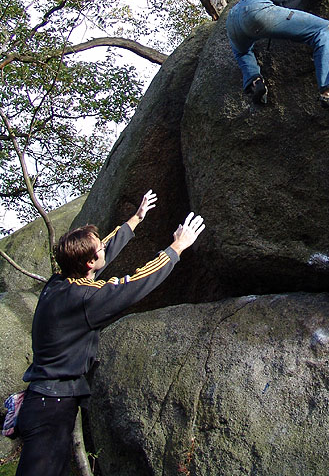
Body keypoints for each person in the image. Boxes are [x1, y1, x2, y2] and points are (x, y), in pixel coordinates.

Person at [15, 190, 205, 476]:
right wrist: (176, 247)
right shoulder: (85, 299)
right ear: (90, 264)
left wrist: (136, 219)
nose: (103, 247)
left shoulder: (58, 282)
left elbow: (99, 249)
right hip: (51, 408)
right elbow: (133, 285)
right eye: (98, 250)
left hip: (44, 401)